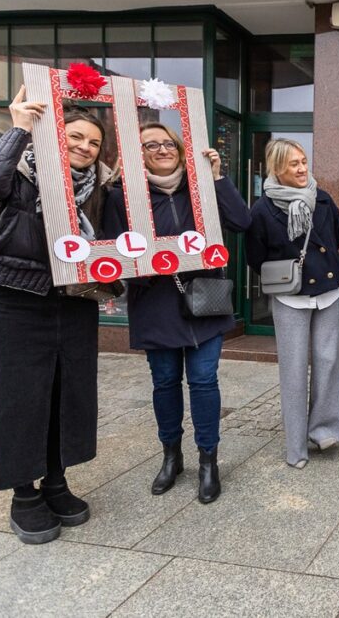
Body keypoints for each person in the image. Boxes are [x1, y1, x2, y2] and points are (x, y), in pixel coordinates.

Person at [0, 86, 112, 544]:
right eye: (75, 136)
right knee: (17, 397)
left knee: (66, 394)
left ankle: (56, 480)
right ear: (54, 135)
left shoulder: (101, 189)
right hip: (17, 297)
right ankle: (23, 494)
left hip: (74, 301)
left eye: (92, 141)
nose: (84, 147)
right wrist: (19, 129)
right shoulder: (21, 172)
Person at [102, 122, 251, 504]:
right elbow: (114, 250)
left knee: (204, 381)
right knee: (165, 382)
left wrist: (218, 178)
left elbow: (242, 221)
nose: (162, 149)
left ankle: (208, 460)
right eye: (150, 145)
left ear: (180, 150)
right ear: (138, 155)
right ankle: (171, 455)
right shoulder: (122, 196)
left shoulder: (201, 190)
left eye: (168, 143)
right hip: (155, 304)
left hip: (204, 301)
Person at [245, 138, 339, 469]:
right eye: (294, 164)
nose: (302, 169)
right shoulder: (261, 210)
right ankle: (296, 446)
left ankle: (324, 430)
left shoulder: (323, 198)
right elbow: (255, 256)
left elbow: (335, 239)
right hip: (290, 296)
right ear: (277, 169)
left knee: (328, 362)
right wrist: (284, 276)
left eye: (304, 161)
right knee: (293, 369)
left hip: (329, 290)